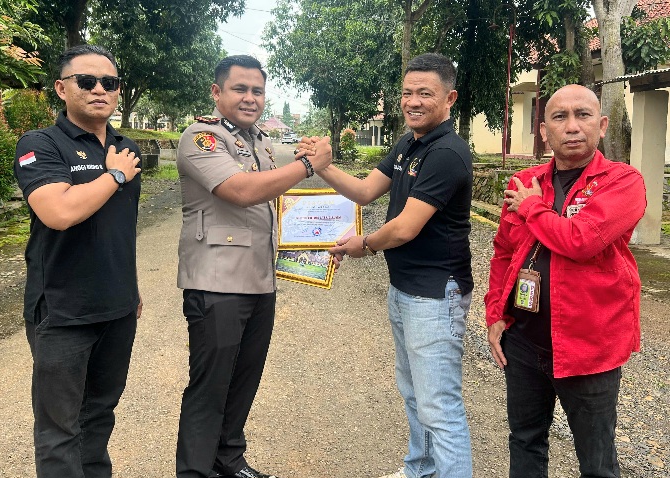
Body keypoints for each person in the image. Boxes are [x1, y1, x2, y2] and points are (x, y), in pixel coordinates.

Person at [300, 53, 474, 478]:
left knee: (439, 407)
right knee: (415, 394)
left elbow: (404, 228)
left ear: (449, 98)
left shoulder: (447, 152)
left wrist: (363, 244)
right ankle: (420, 469)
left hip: (435, 295)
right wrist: (323, 167)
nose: (413, 101)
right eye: (407, 93)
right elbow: (364, 192)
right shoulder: (409, 144)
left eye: (425, 93)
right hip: (405, 289)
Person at [174, 55, 331, 478]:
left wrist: (319, 242)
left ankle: (229, 460)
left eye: (257, 91)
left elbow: (278, 193)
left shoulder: (259, 141)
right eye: (240, 89)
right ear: (217, 92)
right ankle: (195, 472)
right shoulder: (201, 138)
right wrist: (308, 165)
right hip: (217, 282)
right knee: (210, 387)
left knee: (244, 380)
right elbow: (241, 190)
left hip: (260, 280)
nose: (250, 98)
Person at [484, 84, 647, 477]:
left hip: (590, 347)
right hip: (524, 342)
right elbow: (504, 251)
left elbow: (581, 241)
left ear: (602, 125)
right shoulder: (525, 181)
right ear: (544, 131)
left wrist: (532, 207)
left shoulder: (622, 182)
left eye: (583, 115)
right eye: (560, 117)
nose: (572, 126)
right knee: (525, 441)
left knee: (596, 461)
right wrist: (495, 313)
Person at [13, 44, 143, 477]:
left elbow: (120, 229)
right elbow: (59, 212)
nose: (99, 89)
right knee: (60, 428)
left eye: (109, 82)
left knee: (99, 415)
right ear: (61, 88)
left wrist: (132, 289)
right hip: (62, 312)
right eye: (86, 81)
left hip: (118, 309)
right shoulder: (40, 144)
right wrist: (114, 175)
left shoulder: (126, 147)